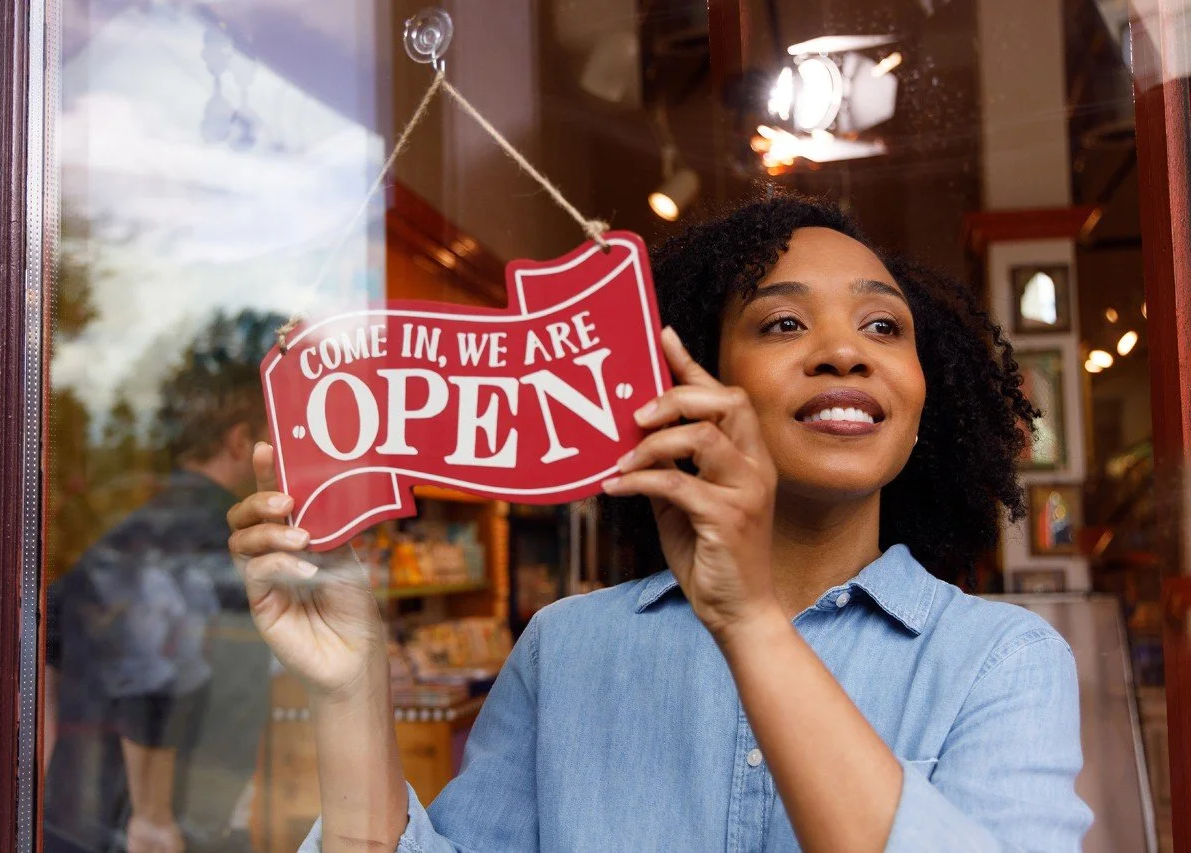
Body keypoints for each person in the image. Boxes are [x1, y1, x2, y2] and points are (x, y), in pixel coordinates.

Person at [227, 192, 1093, 851]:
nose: (844, 349)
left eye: (883, 324)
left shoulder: (1001, 664)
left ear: (922, 398)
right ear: (690, 384)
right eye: (783, 320)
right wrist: (349, 689)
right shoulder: (565, 651)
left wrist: (749, 617)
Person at [46, 311, 279, 853]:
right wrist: (151, 817)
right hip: (158, 834)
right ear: (241, 440)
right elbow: (150, 664)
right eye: (273, 438)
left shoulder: (129, 529)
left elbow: (48, 650)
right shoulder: (208, 533)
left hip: (79, 818)